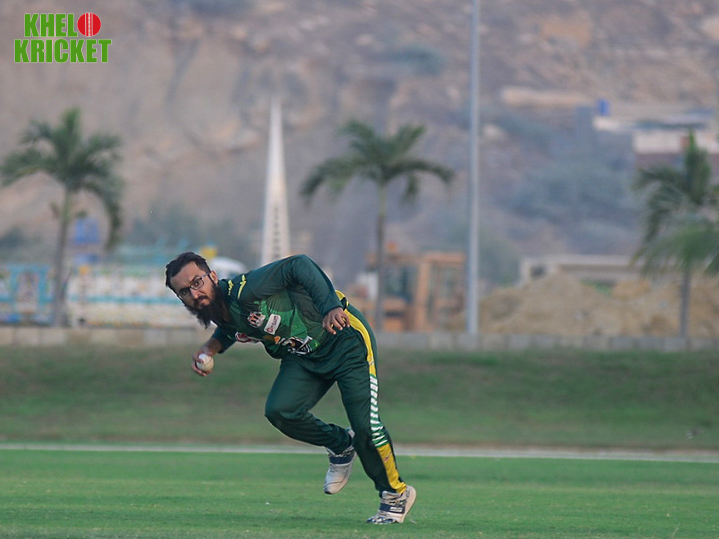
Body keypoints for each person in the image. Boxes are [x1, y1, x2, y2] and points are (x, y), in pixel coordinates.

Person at [165, 252, 416, 524]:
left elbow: (299, 265)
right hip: (303, 356)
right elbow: (231, 328)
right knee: (280, 410)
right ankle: (341, 444)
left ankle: (396, 494)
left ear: (213, 276)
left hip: (344, 340)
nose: (194, 293)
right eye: (184, 292)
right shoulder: (219, 308)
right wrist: (210, 348)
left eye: (197, 282)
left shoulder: (247, 290)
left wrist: (331, 306)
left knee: (365, 425)